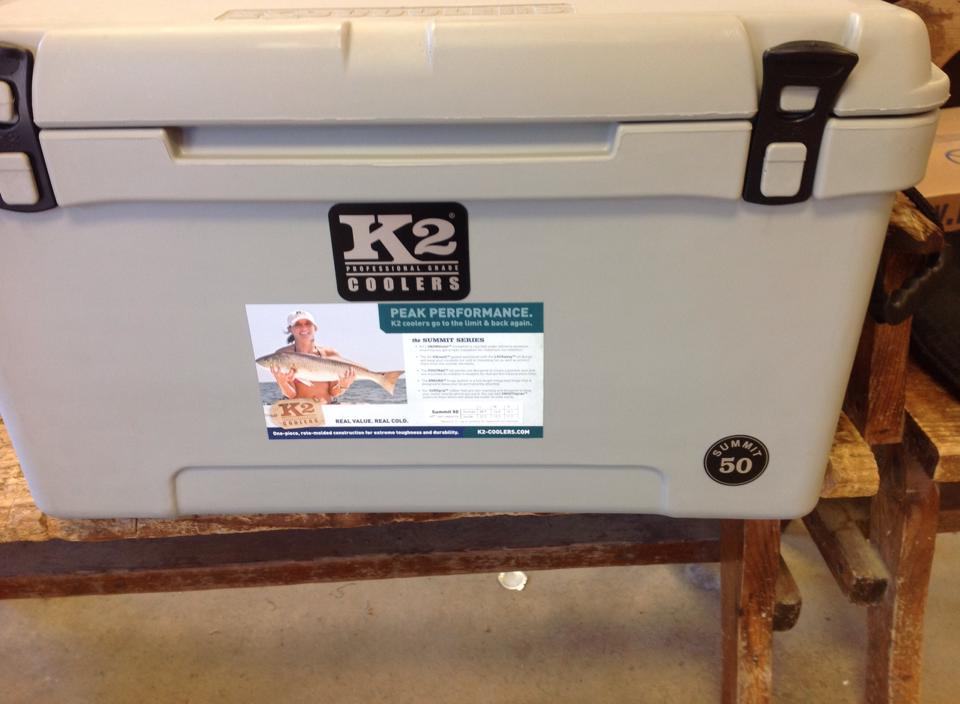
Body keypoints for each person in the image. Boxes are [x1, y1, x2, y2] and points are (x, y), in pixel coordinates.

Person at [269, 310, 357, 403]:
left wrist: (343, 385)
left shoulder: (330, 354)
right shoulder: (283, 356)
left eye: (308, 323)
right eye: (298, 324)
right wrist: (282, 382)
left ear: (315, 327)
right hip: (298, 409)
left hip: (327, 407)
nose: (303, 328)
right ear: (290, 329)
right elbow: (291, 394)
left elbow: (333, 392)